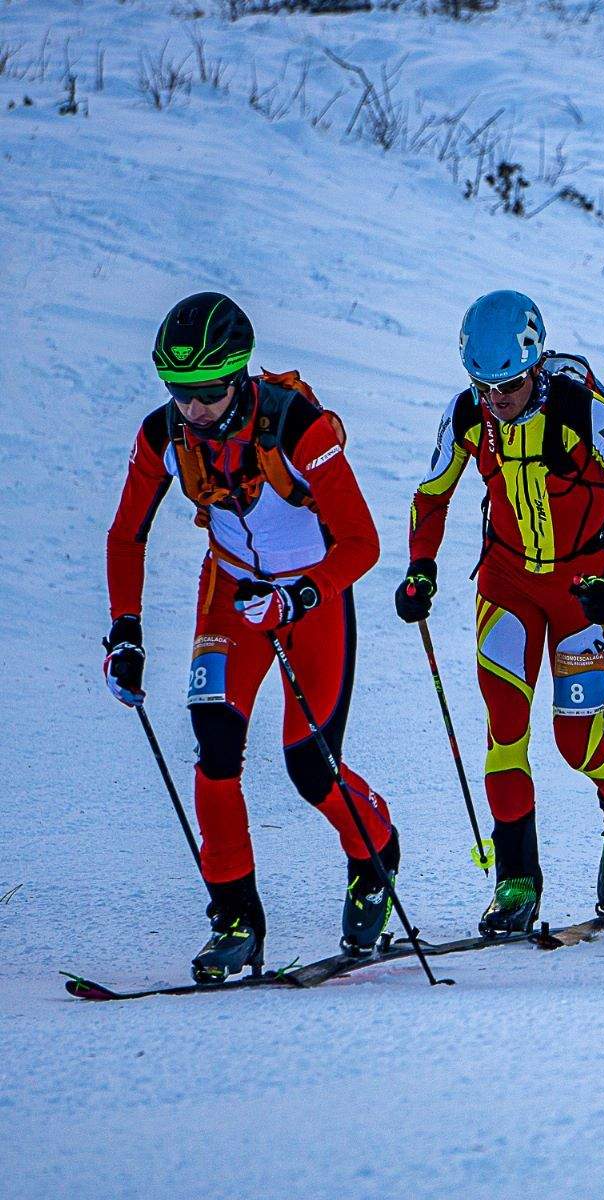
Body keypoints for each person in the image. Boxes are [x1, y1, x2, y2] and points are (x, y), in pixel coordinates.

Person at [104, 292, 399, 982]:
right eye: (179, 391)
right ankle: (235, 918)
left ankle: (375, 853)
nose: (192, 408)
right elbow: (126, 534)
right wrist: (125, 630)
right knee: (213, 743)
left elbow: (361, 543)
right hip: (231, 596)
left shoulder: (298, 426)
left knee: (310, 766)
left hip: (311, 598)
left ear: (237, 376)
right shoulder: (163, 436)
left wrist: (297, 594)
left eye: (206, 391)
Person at [395, 290, 604, 932]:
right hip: (506, 587)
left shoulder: (583, 412)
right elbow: (431, 496)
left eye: (510, 387)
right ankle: (517, 882)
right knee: (505, 728)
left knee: (575, 744)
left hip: (580, 591)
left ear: (535, 366)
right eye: (483, 388)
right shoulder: (468, 416)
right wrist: (420, 565)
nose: (496, 401)